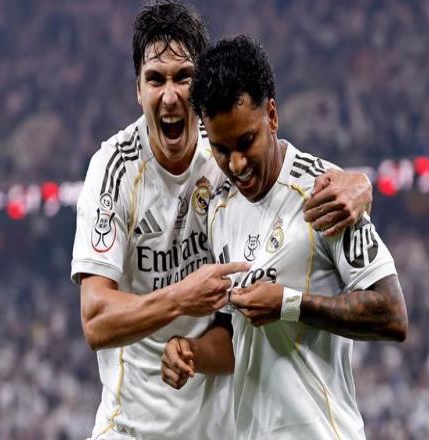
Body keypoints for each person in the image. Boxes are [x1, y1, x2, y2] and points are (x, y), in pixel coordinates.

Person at [71, 1, 373, 438]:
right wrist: (181, 297)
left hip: (219, 428)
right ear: (138, 89)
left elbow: (295, 171)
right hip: (131, 427)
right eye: (155, 79)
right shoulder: (115, 169)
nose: (170, 95)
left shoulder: (227, 155)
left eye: (183, 77)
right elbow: (96, 319)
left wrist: (361, 184)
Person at [161, 35, 408, 440]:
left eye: (246, 142)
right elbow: (236, 334)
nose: (236, 164)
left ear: (272, 116)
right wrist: (191, 352)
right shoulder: (218, 210)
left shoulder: (326, 193)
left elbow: (392, 314)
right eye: (221, 149)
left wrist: (288, 303)